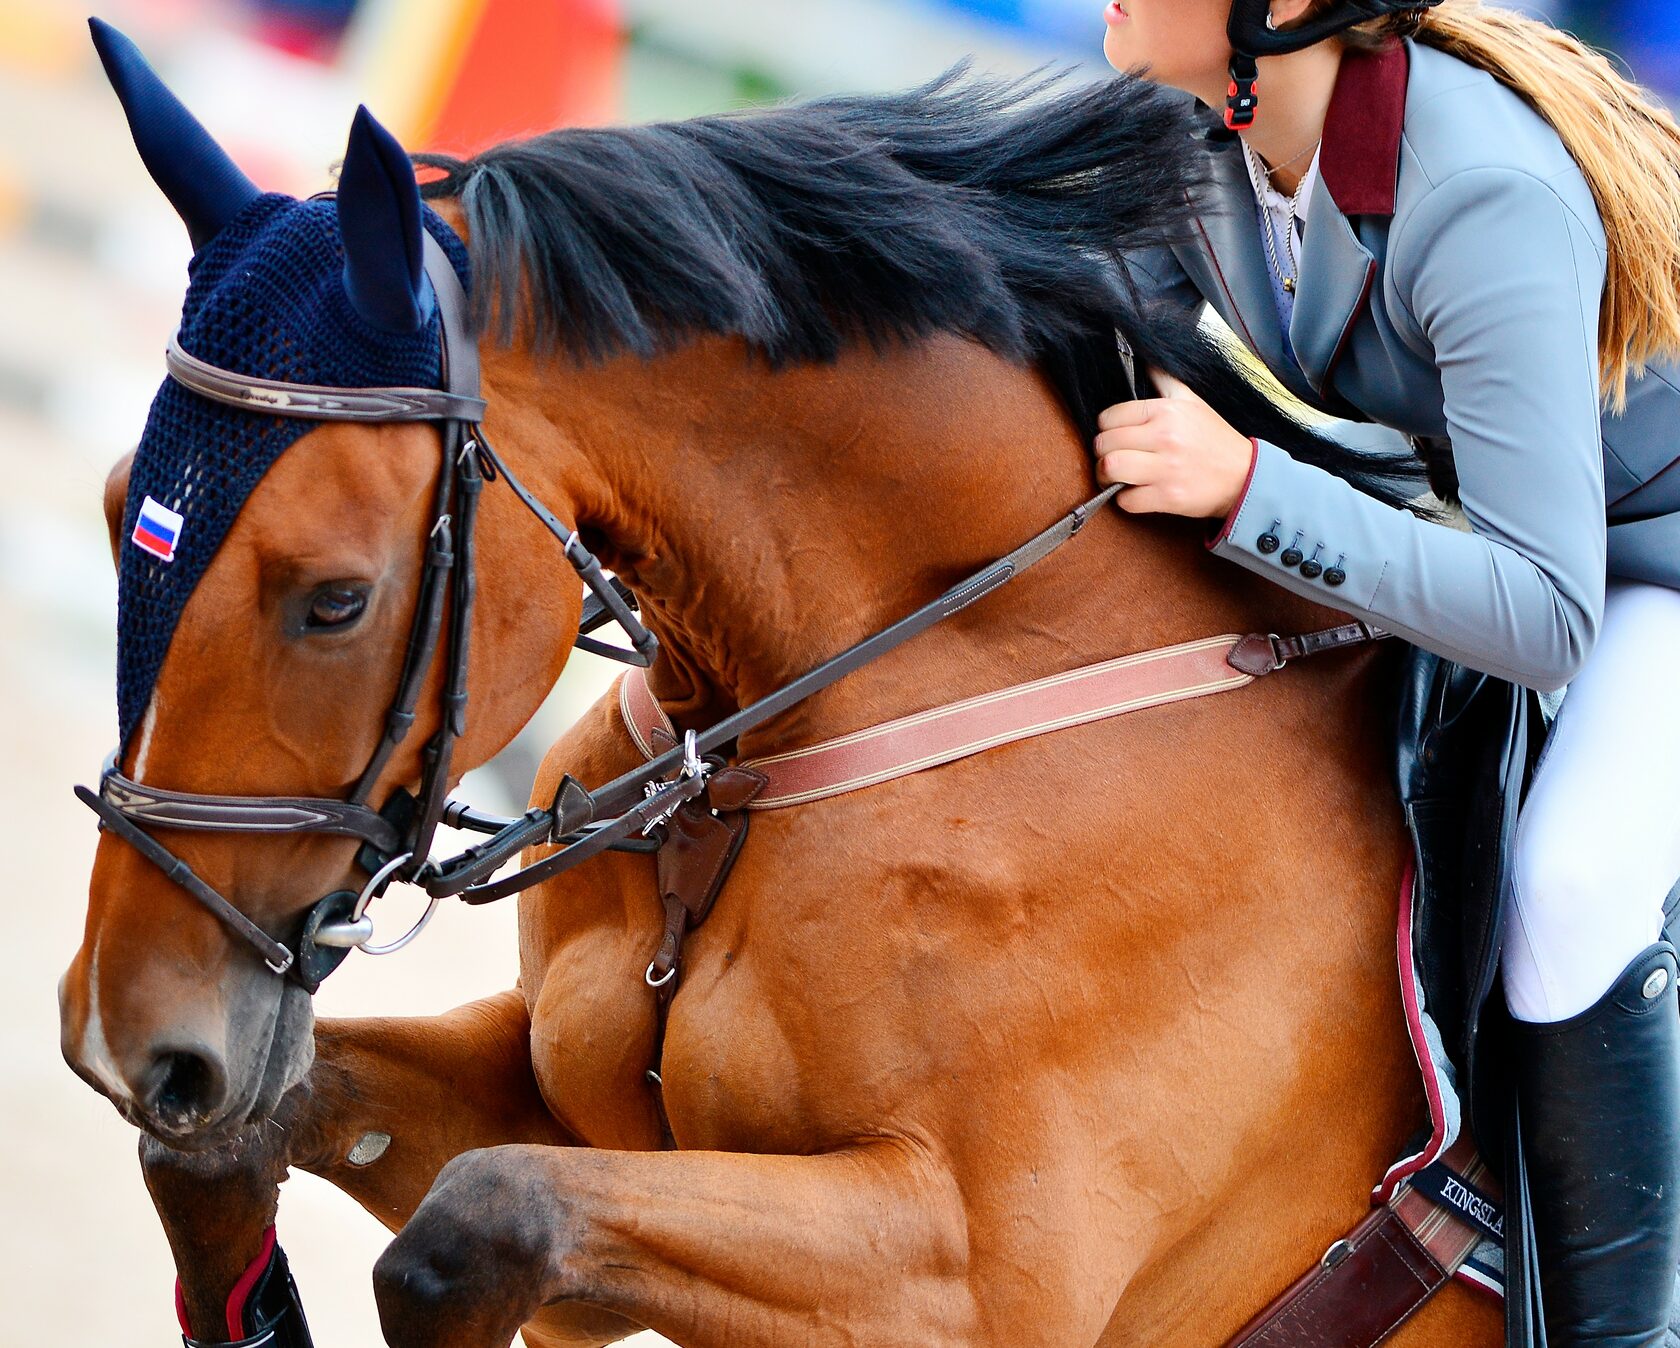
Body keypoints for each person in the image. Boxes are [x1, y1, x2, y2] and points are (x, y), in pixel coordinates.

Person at [1093, 0, 1680, 1339]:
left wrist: (1247, 487)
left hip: (1653, 567)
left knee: (1570, 886)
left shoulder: (1478, 192)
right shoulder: (1206, 125)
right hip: (1531, 522)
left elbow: (1542, 615)